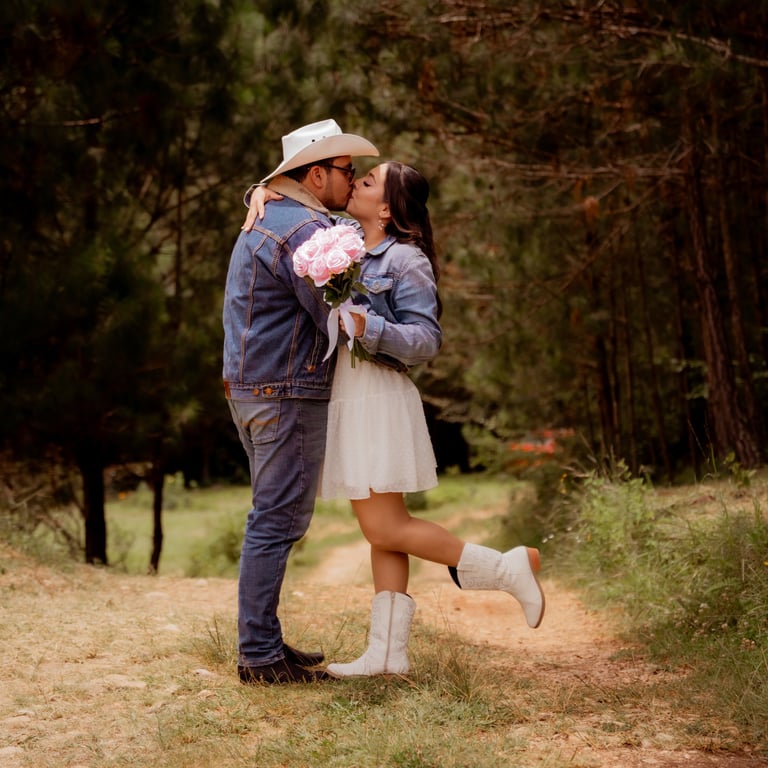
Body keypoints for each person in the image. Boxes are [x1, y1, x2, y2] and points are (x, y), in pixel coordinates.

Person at [248, 161, 546, 679]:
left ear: (386, 208)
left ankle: (505, 568)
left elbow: (426, 340)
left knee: (385, 525)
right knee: (383, 534)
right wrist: (260, 191)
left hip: (378, 396)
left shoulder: (406, 259)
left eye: (367, 182)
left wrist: (369, 325)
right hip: (348, 393)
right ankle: (387, 654)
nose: (356, 182)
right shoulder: (341, 239)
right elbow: (289, 203)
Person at [222, 118, 379, 684]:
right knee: (277, 520)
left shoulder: (270, 215)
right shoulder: (306, 232)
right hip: (286, 389)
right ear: (315, 175)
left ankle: (264, 642)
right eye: (346, 170)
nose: (352, 179)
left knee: (272, 515)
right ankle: (260, 658)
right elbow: (331, 315)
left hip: (252, 386)